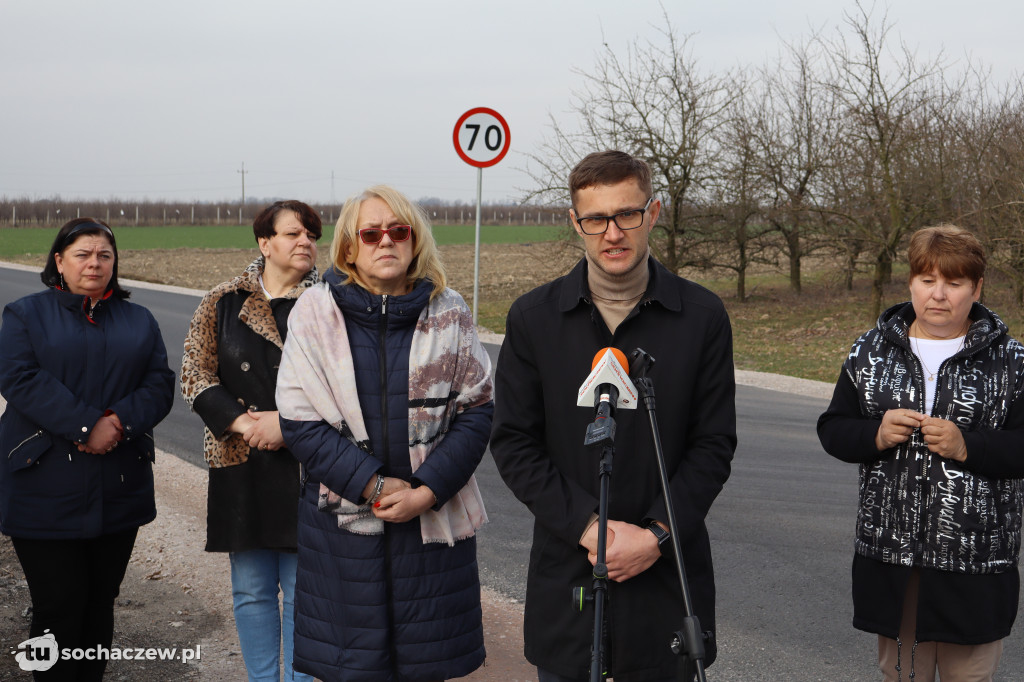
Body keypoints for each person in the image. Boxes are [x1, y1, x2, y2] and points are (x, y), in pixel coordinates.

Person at [489, 150, 737, 681]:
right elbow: (513, 442)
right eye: (596, 218)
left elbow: (714, 445)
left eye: (627, 214)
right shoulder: (534, 319)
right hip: (569, 577)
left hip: (666, 579)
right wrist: (589, 528)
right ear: (575, 223)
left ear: (653, 212)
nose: (612, 233)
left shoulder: (702, 317)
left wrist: (655, 535)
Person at [275, 185, 493, 682]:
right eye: (370, 233)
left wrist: (427, 490)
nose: (385, 241)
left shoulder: (450, 312)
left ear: (415, 241)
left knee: (425, 666)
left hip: (430, 527)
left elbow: (477, 411)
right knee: (351, 667)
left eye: (399, 231)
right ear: (349, 248)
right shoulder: (313, 312)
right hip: (342, 535)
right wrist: (372, 484)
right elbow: (299, 420)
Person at [817, 225, 1024, 682]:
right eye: (927, 280)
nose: (939, 295)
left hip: (975, 563)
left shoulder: (1012, 362)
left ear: (977, 288)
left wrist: (969, 445)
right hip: (893, 561)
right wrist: (875, 434)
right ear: (910, 282)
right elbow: (832, 429)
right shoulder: (870, 352)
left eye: (954, 283)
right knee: (902, 676)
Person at [0, 218, 175, 681]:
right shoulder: (24, 315)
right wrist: (85, 424)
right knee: (56, 605)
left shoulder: (138, 319)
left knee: (100, 603)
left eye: (104, 255)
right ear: (59, 261)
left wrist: (117, 423)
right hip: (43, 482)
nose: (94, 263)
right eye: (82, 254)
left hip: (119, 482)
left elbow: (159, 383)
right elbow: (19, 378)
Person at [180, 200, 322, 682]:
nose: (306, 242)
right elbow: (194, 374)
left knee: (307, 591)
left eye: (311, 235)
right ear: (265, 243)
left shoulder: (330, 302)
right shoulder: (222, 301)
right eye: (293, 234)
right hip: (241, 460)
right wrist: (247, 425)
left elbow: (351, 385)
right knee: (252, 590)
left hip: (312, 462)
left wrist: (290, 425)